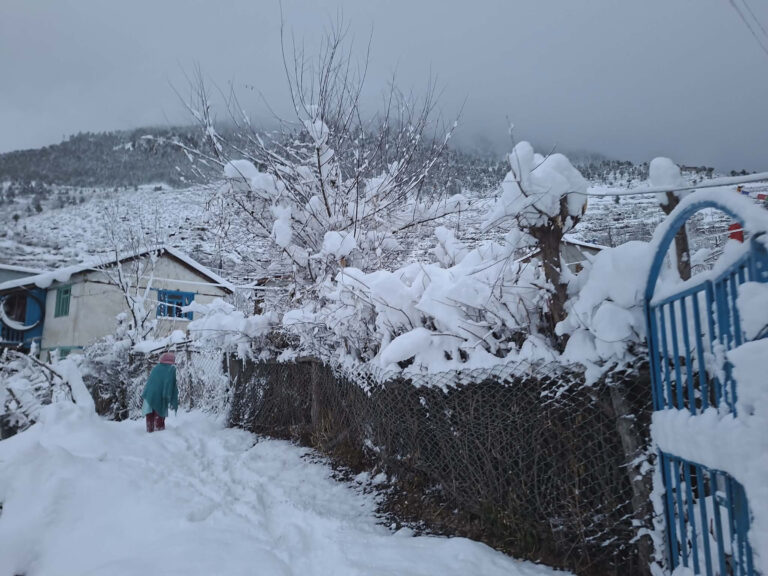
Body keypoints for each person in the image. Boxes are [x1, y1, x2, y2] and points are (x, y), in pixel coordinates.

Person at [142, 352, 179, 433]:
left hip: (149, 395)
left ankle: (149, 433)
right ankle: (159, 434)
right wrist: (169, 397)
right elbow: (170, 384)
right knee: (159, 415)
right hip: (159, 396)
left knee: (150, 415)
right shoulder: (171, 369)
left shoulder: (156, 367)